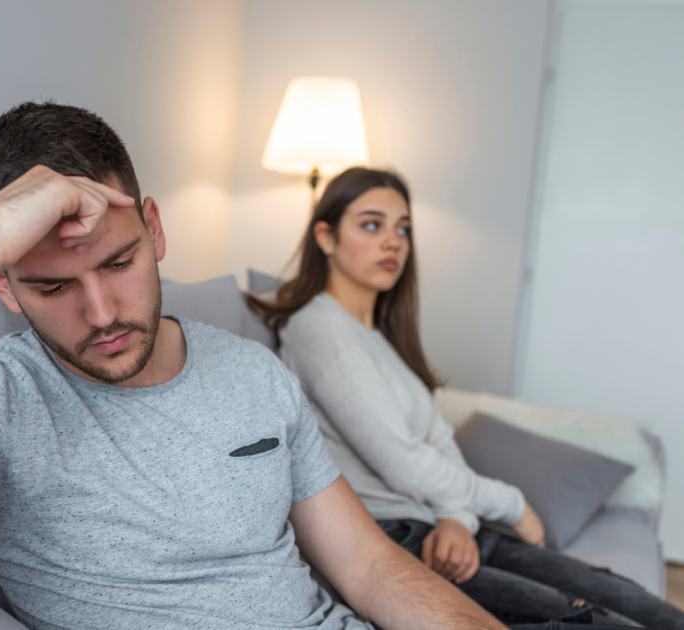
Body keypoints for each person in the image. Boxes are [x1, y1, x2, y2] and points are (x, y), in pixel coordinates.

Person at [0, 102, 513, 630]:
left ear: (155, 229)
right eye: (51, 285)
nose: (101, 312)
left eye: (119, 261)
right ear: (3, 286)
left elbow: (369, 567)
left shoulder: (257, 373)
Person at [249, 166, 684, 628]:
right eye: (372, 225)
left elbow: (438, 439)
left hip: (443, 527)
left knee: (650, 611)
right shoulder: (319, 329)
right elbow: (403, 460)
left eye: (404, 229)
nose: (394, 241)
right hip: (396, 540)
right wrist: (512, 504)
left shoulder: (379, 338)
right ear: (326, 236)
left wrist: (459, 516)